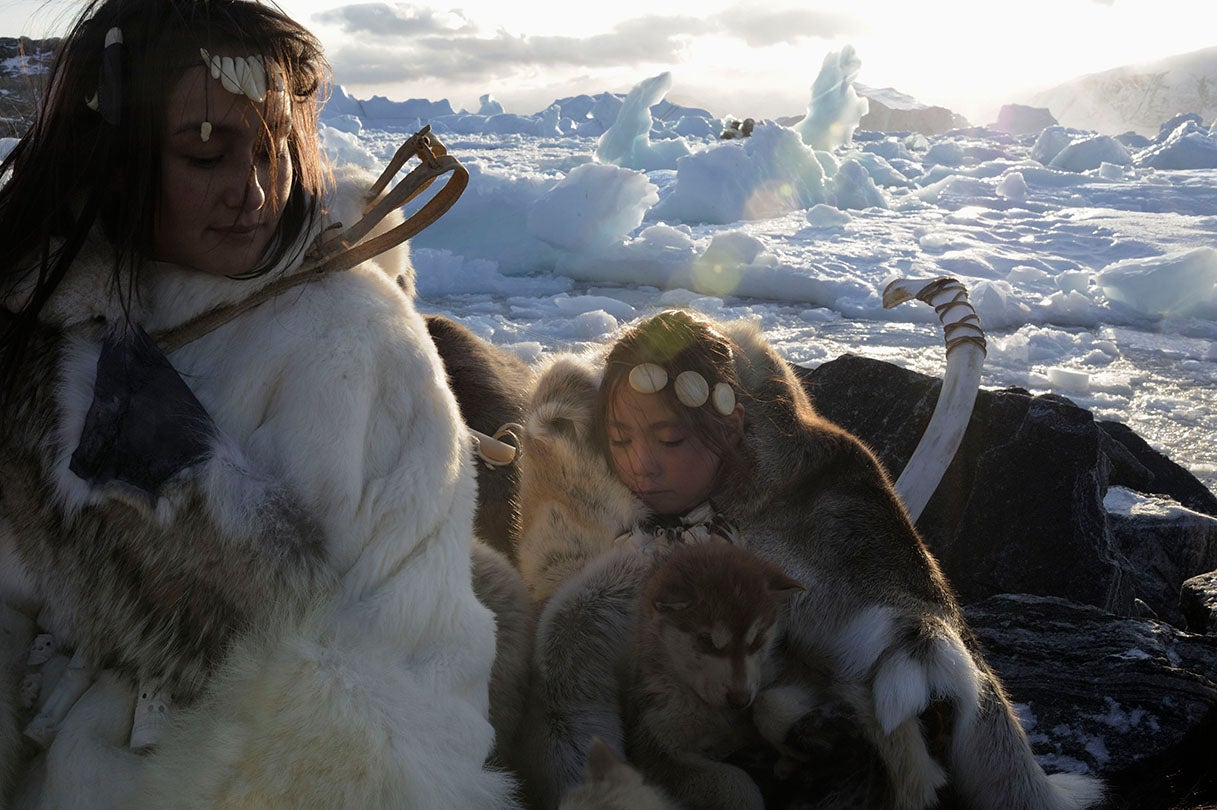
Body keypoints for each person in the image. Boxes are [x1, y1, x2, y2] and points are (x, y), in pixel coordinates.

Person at [0, 0, 515, 806]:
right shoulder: (39, 326)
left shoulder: (357, 350)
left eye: (274, 145)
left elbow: (421, 665)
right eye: (205, 151)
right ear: (121, 162)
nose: (253, 189)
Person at [515, 308, 1104, 809]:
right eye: (620, 440)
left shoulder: (810, 482)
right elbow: (563, 670)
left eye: (669, 440)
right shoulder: (581, 494)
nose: (640, 463)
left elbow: (907, 601)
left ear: (732, 426)